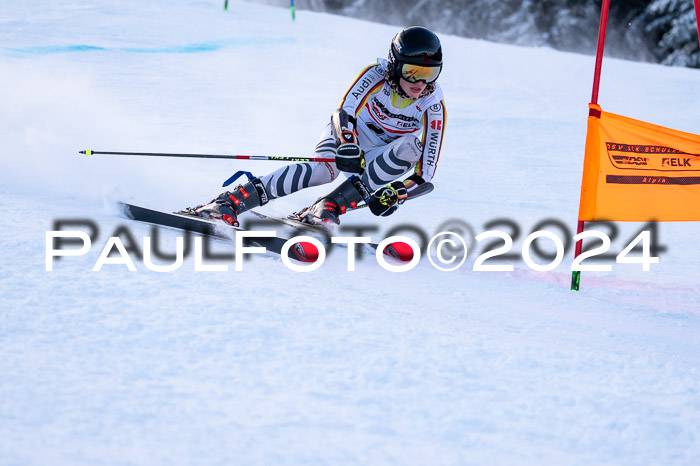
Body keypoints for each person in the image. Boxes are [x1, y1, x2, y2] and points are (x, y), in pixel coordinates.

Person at [186, 26, 446, 228]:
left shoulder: (433, 106)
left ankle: (327, 207)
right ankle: (230, 202)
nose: (420, 83)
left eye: (430, 74)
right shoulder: (375, 76)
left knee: (412, 148)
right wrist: (347, 144)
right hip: (351, 138)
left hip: (379, 157)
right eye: (413, 72)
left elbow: (426, 174)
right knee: (324, 171)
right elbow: (344, 112)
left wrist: (398, 193)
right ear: (395, 65)